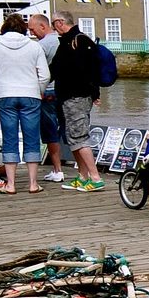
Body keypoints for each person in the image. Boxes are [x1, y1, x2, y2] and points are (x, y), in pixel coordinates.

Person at [0, 12, 53, 193]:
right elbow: (45, 75)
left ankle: (11, 184)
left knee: (10, 138)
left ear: (4, 28)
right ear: (23, 29)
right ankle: (33, 183)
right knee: (32, 138)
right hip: (30, 95)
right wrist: (38, 90)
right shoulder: (34, 46)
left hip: (6, 95)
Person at [48, 12, 106, 192]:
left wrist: (94, 93)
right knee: (73, 136)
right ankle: (83, 176)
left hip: (76, 97)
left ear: (60, 22)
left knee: (79, 137)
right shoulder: (69, 41)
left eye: (53, 23)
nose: (52, 27)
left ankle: (95, 178)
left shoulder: (76, 42)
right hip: (71, 97)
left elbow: (89, 70)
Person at [24, 12, 66, 182]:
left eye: (33, 30)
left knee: (50, 132)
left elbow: (34, 69)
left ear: (43, 26)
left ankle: (57, 170)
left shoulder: (40, 46)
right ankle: (81, 170)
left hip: (47, 90)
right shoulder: (62, 41)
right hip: (64, 91)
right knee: (67, 129)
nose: (32, 33)